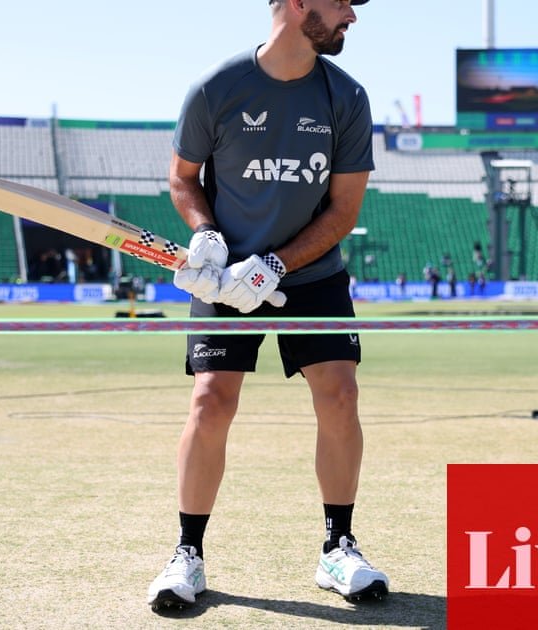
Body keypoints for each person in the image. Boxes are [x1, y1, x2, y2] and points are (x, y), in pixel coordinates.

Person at [147, 0, 386, 612]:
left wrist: (277, 265)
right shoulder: (216, 88)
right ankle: (187, 554)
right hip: (225, 276)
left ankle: (339, 547)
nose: (352, 17)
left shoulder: (346, 98)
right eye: (342, 4)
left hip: (310, 272)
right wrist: (205, 234)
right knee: (210, 399)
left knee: (339, 393)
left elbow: (344, 211)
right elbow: (183, 178)